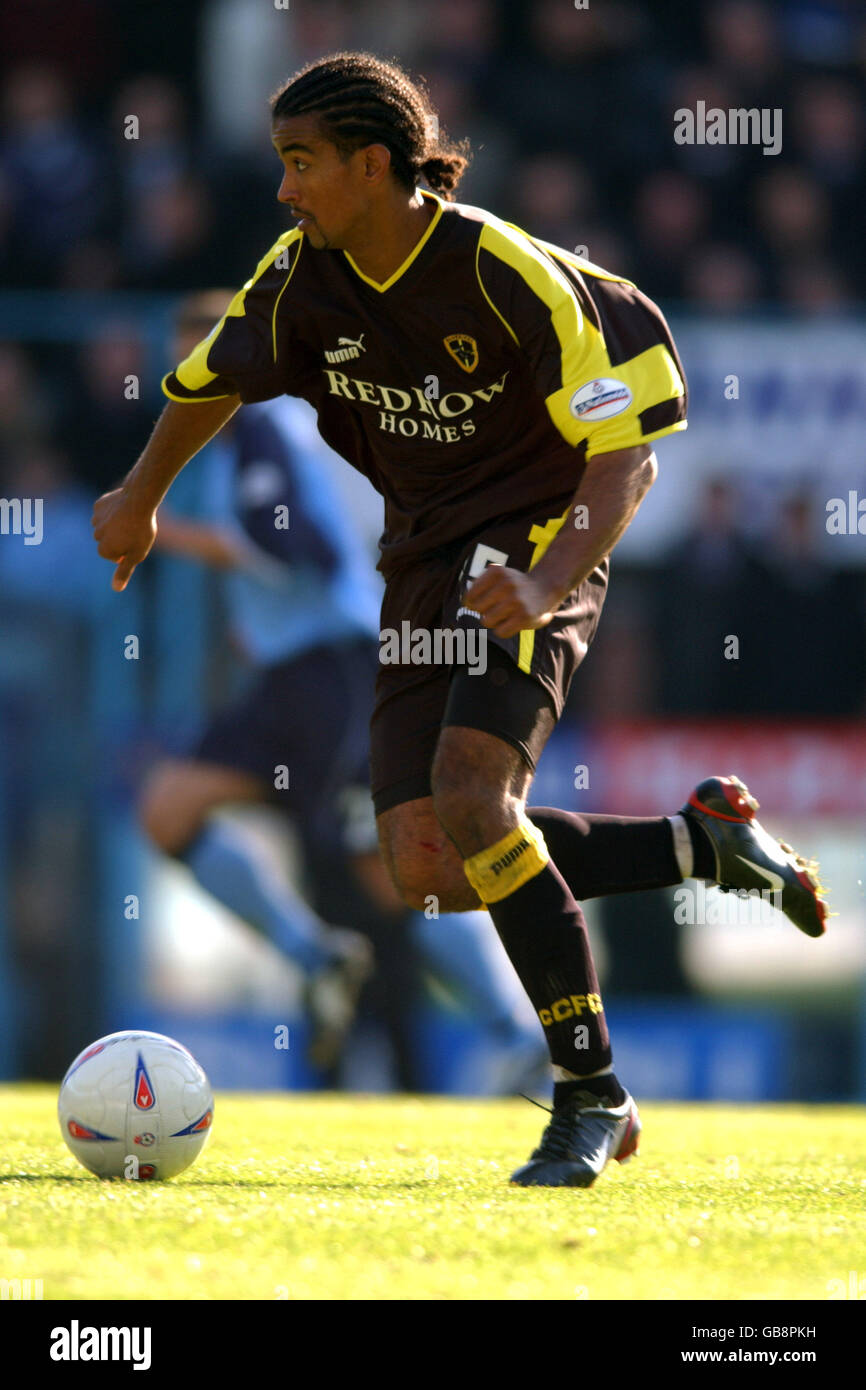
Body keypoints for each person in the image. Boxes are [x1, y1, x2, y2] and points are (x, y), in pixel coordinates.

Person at [93, 52, 827, 1187]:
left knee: (479, 799)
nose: (282, 190)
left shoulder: (503, 273)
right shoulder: (301, 280)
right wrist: (138, 498)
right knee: (428, 870)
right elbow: (208, 380)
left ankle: (588, 1090)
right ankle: (702, 845)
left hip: (539, 545)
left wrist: (544, 582)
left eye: (301, 164)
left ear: (371, 164)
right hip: (423, 569)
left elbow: (621, 456)